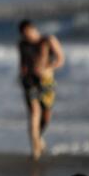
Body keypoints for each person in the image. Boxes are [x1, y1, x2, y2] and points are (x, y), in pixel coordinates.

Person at [16, 20, 65, 160]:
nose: (27, 36)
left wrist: (49, 67)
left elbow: (61, 59)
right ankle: (35, 149)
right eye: (23, 34)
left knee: (46, 117)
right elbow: (22, 62)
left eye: (27, 33)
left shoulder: (48, 40)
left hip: (46, 81)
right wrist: (22, 76)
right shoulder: (22, 44)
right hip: (29, 80)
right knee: (34, 112)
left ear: (33, 29)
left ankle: (39, 138)